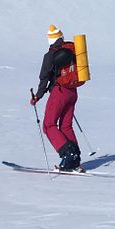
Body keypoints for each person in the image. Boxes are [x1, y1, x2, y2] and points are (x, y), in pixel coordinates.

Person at [30, 25, 83, 172]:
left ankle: (68, 154)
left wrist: (37, 96)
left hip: (59, 92)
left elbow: (44, 77)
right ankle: (75, 160)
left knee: (48, 125)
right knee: (66, 126)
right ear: (61, 38)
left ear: (50, 40)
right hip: (72, 91)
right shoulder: (71, 49)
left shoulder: (50, 55)